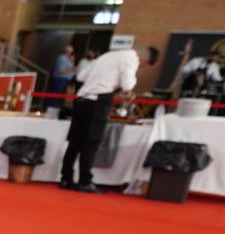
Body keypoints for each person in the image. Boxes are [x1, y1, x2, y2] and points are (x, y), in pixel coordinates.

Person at [61, 45, 159, 193]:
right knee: (90, 143)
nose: (141, 67)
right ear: (144, 60)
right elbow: (128, 84)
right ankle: (84, 181)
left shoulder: (108, 56)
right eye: (143, 65)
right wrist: (127, 91)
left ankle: (65, 178)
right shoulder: (130, 59)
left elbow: (81, 76)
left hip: (82, 99)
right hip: (98, 102)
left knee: (74, 142)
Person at [48, 45, 76, 109]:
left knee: (59, 96)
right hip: (60, 79)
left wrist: (72, 62)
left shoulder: (69, 59)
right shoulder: (62, 58)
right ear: (67, 51)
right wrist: (71, 69)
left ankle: (54, 109)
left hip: (66, 80)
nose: (71, 53)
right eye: (70, 51)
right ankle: (50, 109)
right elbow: (61, 71)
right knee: (55, 95)